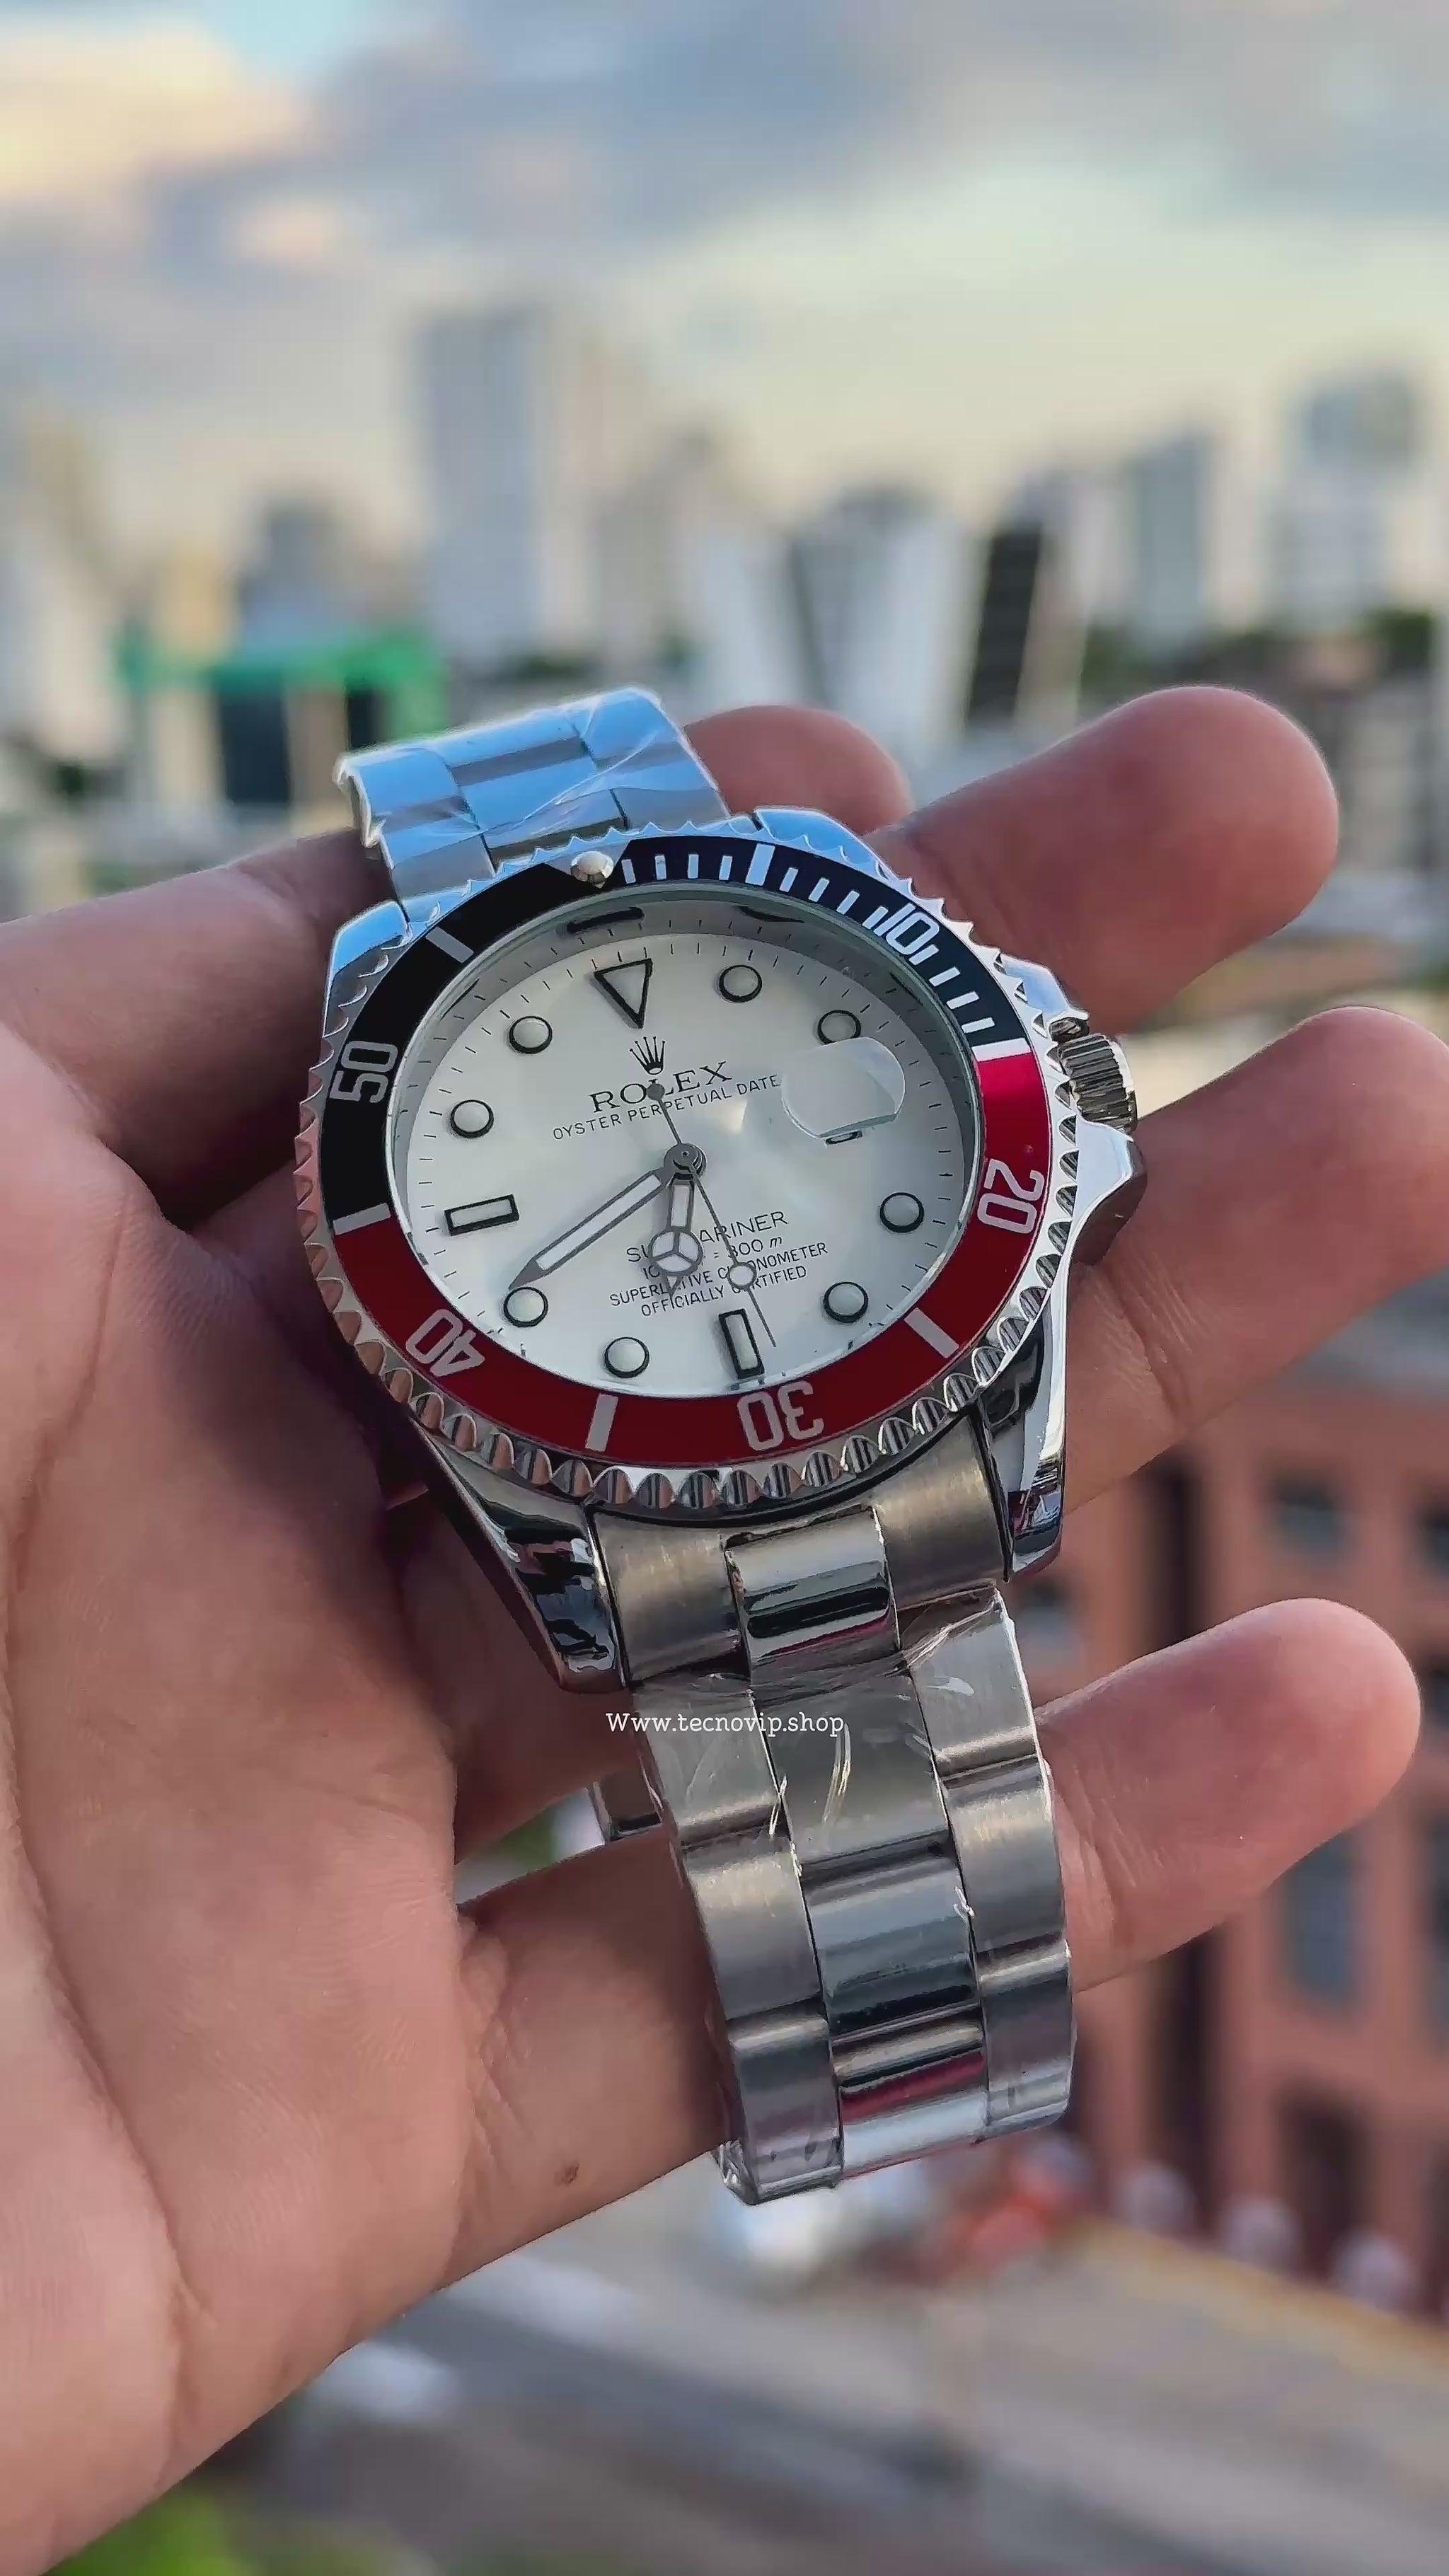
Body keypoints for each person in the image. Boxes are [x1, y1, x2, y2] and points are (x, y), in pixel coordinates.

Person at [0, 691, 1439, 2575]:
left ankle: (899, 2075)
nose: (687, 1154)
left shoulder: (927, 1058)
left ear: (1053, 1103)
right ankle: (892, 2075)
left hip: (874, 1472)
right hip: (642, 1526)